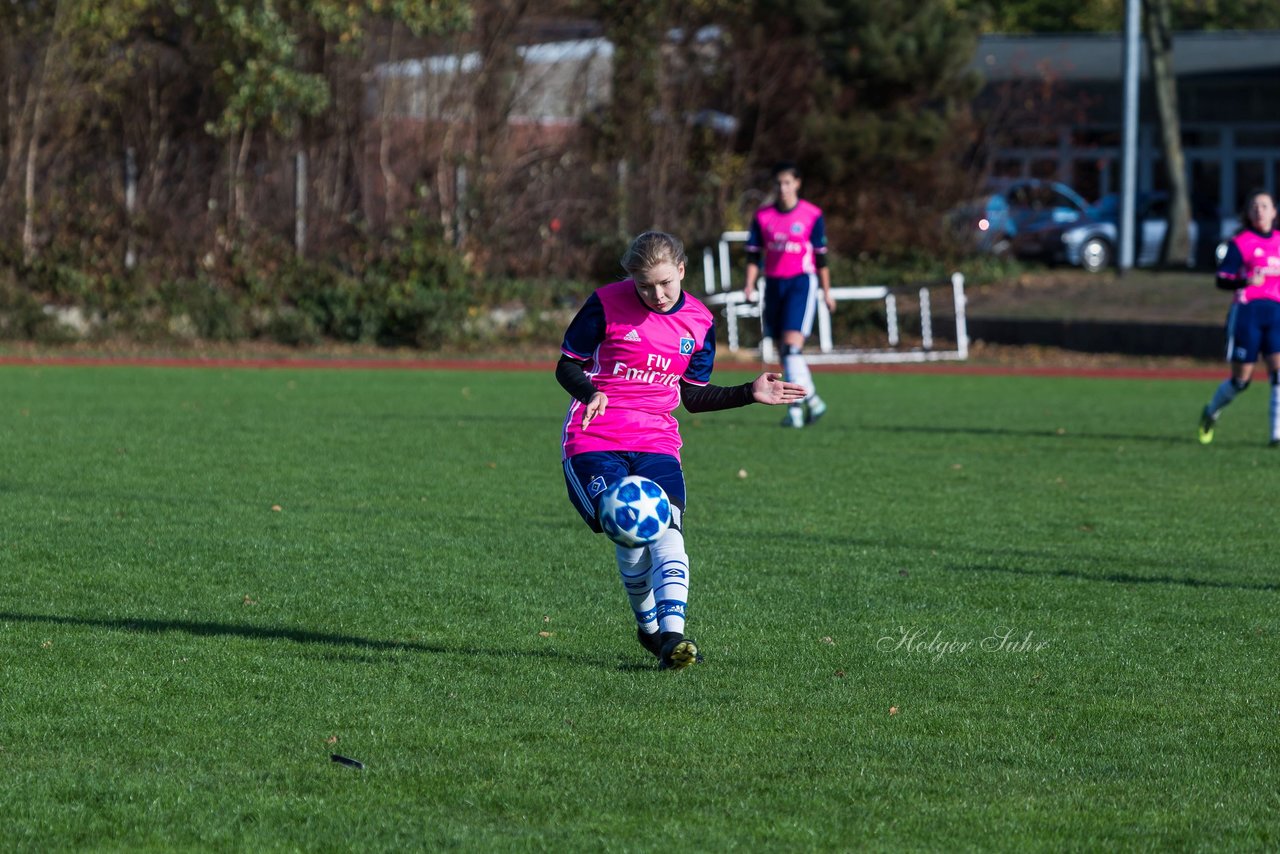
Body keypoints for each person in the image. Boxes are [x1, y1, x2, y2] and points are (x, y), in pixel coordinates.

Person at [557, 231, 807, 670]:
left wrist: (749, 392)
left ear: (683, 272)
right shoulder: (605, 303)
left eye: (666, 283)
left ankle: (671, 634)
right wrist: (590, 391)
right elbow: (567, 364)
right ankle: (648, 628)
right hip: (595, 436)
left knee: (667, 531)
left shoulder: (699, 321)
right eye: (645, 286)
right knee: (628, 528)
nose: (656, 295)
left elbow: (693, 396)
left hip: (656, 441)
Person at [742, 161, 836, 428]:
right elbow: (753, 255)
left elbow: (821, 259)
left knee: (793, 348)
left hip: (801, 284)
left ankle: (797, 408)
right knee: (784, 352)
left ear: (797, 183)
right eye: (778, 183)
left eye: (788, 182)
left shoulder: (812, 215)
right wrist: (749, 284)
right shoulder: (763, 217)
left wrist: (827, 292)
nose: (783, 188)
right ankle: (813, 402)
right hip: (773, 285)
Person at [1198, 190, 1280, 445]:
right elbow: (1222, 279)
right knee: (1241, 380)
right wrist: (1245, 280)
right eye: (1254, 206)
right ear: (1248, 212)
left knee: (1278, 375)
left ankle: (1276, 435)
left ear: (1274, 212)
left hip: (1276, 313)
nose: (1259, 210)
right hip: (1248, 313)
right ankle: (1210, 411)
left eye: (1264, 206)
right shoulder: (1241, 242)